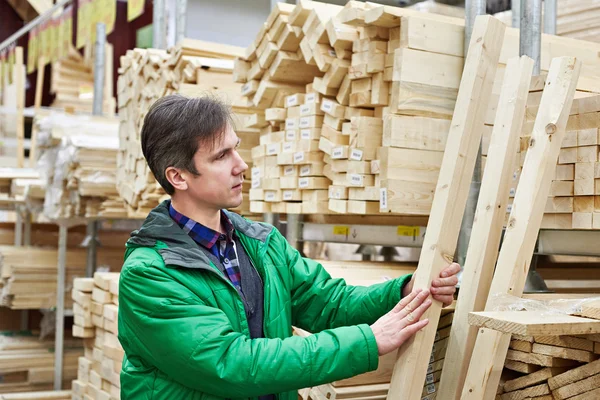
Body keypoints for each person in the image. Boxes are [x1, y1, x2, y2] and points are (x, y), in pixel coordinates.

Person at [117, 94, 460, 400]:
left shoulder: (261, 244)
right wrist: (368, 341)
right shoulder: (149, 275)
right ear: (178, 177)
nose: (241, 165)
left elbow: (330, 304)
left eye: (236, 148)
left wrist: (403, 291)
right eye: (222, 156)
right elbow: (232, 364)